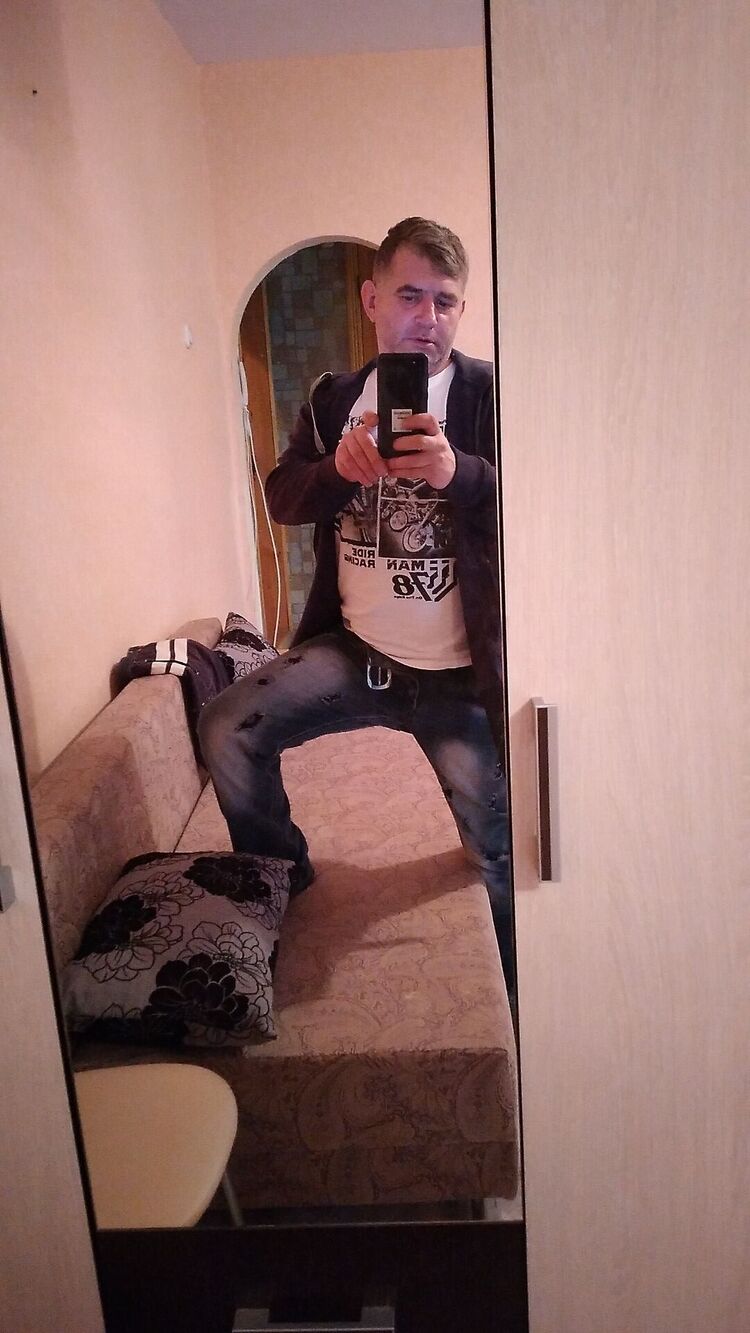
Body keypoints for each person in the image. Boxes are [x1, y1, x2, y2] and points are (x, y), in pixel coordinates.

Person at [198, 218, 514, 996]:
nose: (427, 317)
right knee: (226, 728)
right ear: (372, 299)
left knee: (498, 856)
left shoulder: (492, 394)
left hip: (460, 674)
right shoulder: (332, 397)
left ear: (462, 310)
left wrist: (461, 473)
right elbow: (283, 497)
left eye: (445, 301)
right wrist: (338, 469)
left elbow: (547, 498)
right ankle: (285, 880)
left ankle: (515, 993)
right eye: (409, 295)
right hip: (357, 653)